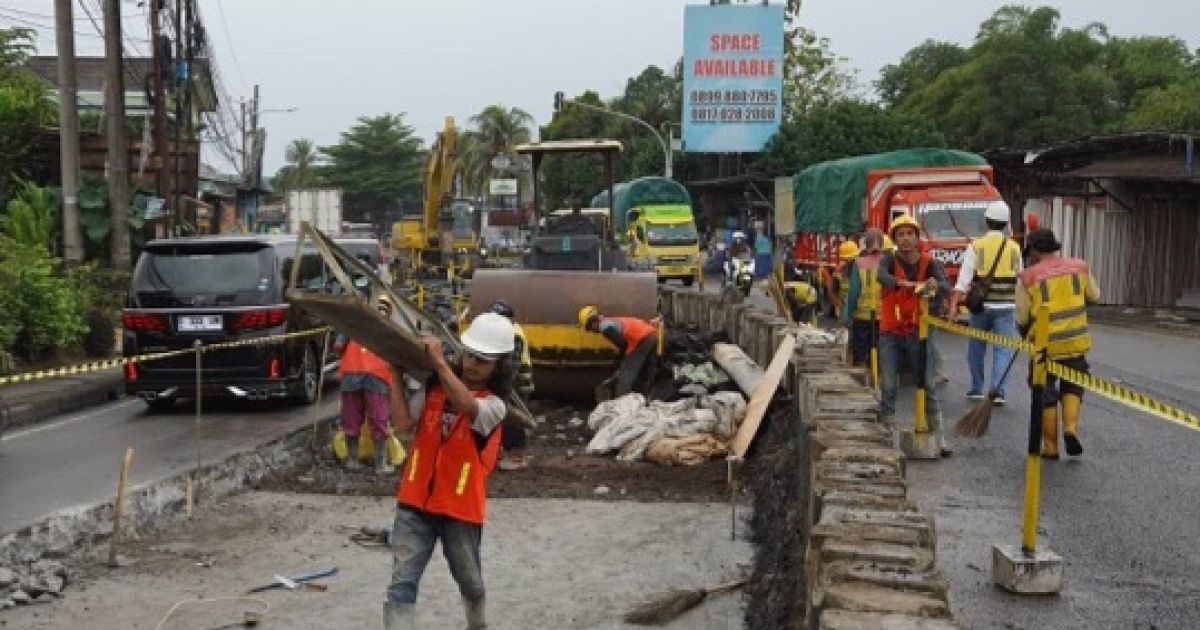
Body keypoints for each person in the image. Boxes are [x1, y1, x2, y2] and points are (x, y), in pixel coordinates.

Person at [383, 312, 517, 630]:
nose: (472, 364)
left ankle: (477, 624)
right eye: (470, 355)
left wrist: (441, 364)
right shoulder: (434, 389)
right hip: (415, 502)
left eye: (483, 361)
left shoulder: (496, 406)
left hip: (460, 510)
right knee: (401, 584)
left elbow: (469, 408)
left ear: (498, 366)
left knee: (470, 581)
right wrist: (394, 377)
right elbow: (403, 425)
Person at [1017, 228, 1100, 459]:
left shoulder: (1028, 277)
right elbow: (1094, 296)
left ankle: (1051, 447)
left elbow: (1022, 317)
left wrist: (1024, 333)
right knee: (1073, 385)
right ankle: (1070, 429)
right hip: (1075, 341)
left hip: (1045, 346)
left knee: (1044, 392)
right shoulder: (1080, 267)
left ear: (1034, 251)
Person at [877, 214, 951, 456]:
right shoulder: (889, 259)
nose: (906, 239)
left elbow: (945, 286)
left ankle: (939, 437)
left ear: (917, 237)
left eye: (910, 234)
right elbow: (882, 276)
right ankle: (887, 434)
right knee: (889, 384)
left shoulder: (929, 263)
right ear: (895, 239)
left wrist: (933, 285)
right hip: (891, 330)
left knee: (927, 383)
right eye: (901, 235)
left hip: (919, 330)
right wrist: (901, 283)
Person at [948, 200, 1022, 405]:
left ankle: (976, 389)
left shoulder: (976, 246)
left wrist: (954, 307)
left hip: (980, 308)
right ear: (1006, 223)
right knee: (1003, 350)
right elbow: (1021, 279)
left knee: (976, 348)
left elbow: (963, 282)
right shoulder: (1015, 248)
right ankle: (998, 391)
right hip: (1006, 307)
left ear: (987, 221)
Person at [337, 296, 397, 473]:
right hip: (377, 373)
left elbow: (338, 346)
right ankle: (380, 464)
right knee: (379, 418)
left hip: (351, 371)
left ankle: (352, 460)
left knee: (351, 418)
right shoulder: (389, 328)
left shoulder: (354, 324)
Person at [489, 300, 535, 471]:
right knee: (504, 416)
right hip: (511, 381)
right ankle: (504, 451)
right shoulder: (506, 331)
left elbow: (511, 367)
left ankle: (515, 455)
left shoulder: (513, 335)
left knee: (512, 418)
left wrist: (502, 388)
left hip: (517, 383)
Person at [579, 305, 659, 401]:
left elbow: (622, 344)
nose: (592, 331)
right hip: (651, 335)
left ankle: (621, 403)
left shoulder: (604, 327)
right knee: (646, 372)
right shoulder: (611, 321)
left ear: (592, 322)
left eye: (589, 328)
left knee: (626, 376)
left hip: (641, 340)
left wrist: (621, 360)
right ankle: (647, 399)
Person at [842, 229, 884, 366]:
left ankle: (861, 376)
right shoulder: (888, 262)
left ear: (866, 243)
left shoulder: (859, 263)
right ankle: (877, 376)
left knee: (860, 350)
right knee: (878, 348)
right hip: (882, 316)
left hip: (861, 316)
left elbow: (853, 292)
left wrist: (847, 314)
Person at [833, 239, 861, 321]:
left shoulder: (861, 269)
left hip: (859, 312)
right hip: (845, 311)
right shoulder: (839, 271)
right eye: (849, 259)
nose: (852, 261)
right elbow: (832, 291)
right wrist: (842, 307)